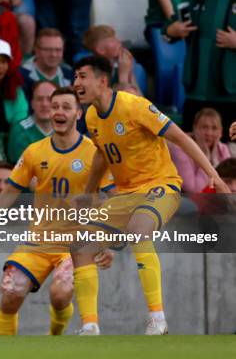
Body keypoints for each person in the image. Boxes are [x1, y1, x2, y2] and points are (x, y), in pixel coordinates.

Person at [72, 55, 229, 335]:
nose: (76, 83)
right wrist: (88, 192)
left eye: (82, 76)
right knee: (81, 246)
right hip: (126, 194)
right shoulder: (92, 117)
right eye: (75, 77)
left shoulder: (135, 106)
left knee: (138, 229)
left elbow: (181, 137)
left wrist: (213, 175)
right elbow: (102, 154)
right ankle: (90, 326)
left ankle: (157, 319)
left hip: (161, 186)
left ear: (102, 80)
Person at [0, 87, 113, 336]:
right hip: (38, 240)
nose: (59, 111)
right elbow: (9, 192)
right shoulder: (35, 151)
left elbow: (109, 198)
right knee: (11, 291)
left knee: (60, 294)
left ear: (78, 114)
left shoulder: (94, 153)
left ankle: (55, 334)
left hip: (74, 244)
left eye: (66, 107)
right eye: (55, 107)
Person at [165, 0, 236, 137]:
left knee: (230, 155)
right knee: (191, 155)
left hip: (231, 95)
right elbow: (168, 30)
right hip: (196, 92)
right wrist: (172, 30)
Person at [169, 108, 233, 193]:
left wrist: (214, 159)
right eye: (204, 127)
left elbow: (228, 186)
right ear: (194, 128)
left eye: (214, 128)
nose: (209, 133)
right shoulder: (179, 148)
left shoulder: (223, 149)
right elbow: (194, 190)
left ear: (220, 132)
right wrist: (205, 157)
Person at [7, 80, 56, 164]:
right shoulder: (19, 131)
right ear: (32, 103)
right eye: (39, 99)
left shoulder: (66, 129)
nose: (44, 104)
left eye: (50, 99)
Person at [20, 28, 73, 102]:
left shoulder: (72, 76)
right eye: (48, 50)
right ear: (36, 49)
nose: (53, 55)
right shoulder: (20, 77)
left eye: (58, 50)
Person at [82, 25, 141, 90]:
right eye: (112, 40)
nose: (118, 41)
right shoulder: (95, 72)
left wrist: (129, 72)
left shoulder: (116, 66)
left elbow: (140, 98)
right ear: (101, 50)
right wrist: (123, 76)